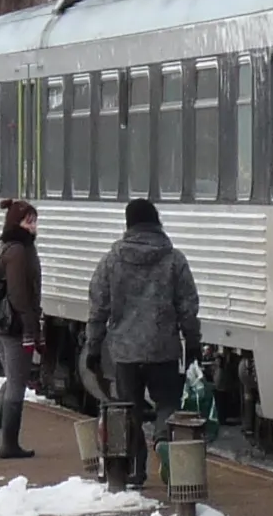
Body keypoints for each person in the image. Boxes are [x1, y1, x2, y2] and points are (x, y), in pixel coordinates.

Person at [84, 197, 199, 488]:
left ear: (129, 223)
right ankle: (162, 440)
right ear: (156, 220)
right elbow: (188, 306)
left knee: (130, 409)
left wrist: (94, 346)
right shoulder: (174, 258)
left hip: (125, 352)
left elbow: (98, 306)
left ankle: (135, 472)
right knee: (167, 404)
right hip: (164, 348)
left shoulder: (112, 259)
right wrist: (193, 342)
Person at [0, 198, 43, 461]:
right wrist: (30, 325)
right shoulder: (18, 251)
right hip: (15, 326)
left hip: (6, 325)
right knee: (17, 385)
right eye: (29, 220)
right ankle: (9, 443)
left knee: (11, 382)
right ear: (17, 222)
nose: (34, 225)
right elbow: (18, 293)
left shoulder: (12, 246)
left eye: (35, 220)